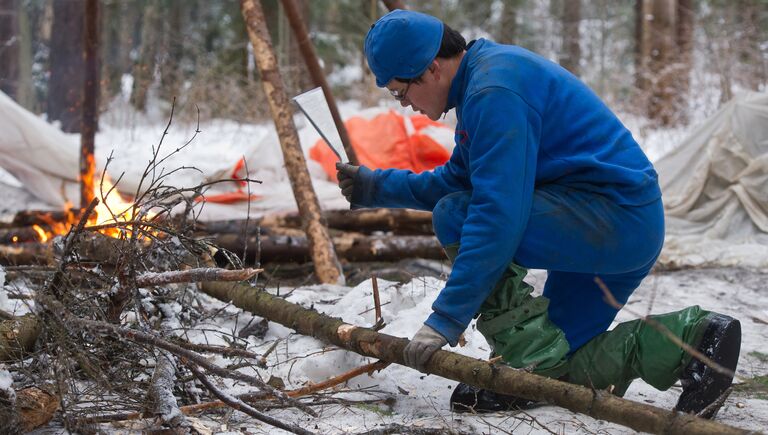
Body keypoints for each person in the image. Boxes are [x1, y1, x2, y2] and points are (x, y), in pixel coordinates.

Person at [336, 9, 741, 418]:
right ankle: (695, 340)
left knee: (456, 216)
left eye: (400, 92)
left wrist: (446, 318)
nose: (405, 105)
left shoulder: (493, 90)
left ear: (431, 69)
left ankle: (526, 360)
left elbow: (495, 213)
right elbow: (460, 179)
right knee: (558, 367)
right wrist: (374, 187)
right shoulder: (484, 80)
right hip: (608, 225)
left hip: (612, 221)